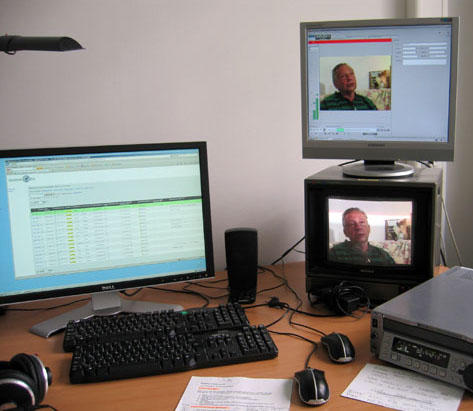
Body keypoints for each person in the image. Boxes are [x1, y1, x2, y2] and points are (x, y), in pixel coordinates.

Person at [329, 207, 395, 265]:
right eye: (351, 224)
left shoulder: (383, 255)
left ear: (369, 228)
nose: (358, 227)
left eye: (362, 222)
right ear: (345, 232)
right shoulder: (335, 253)